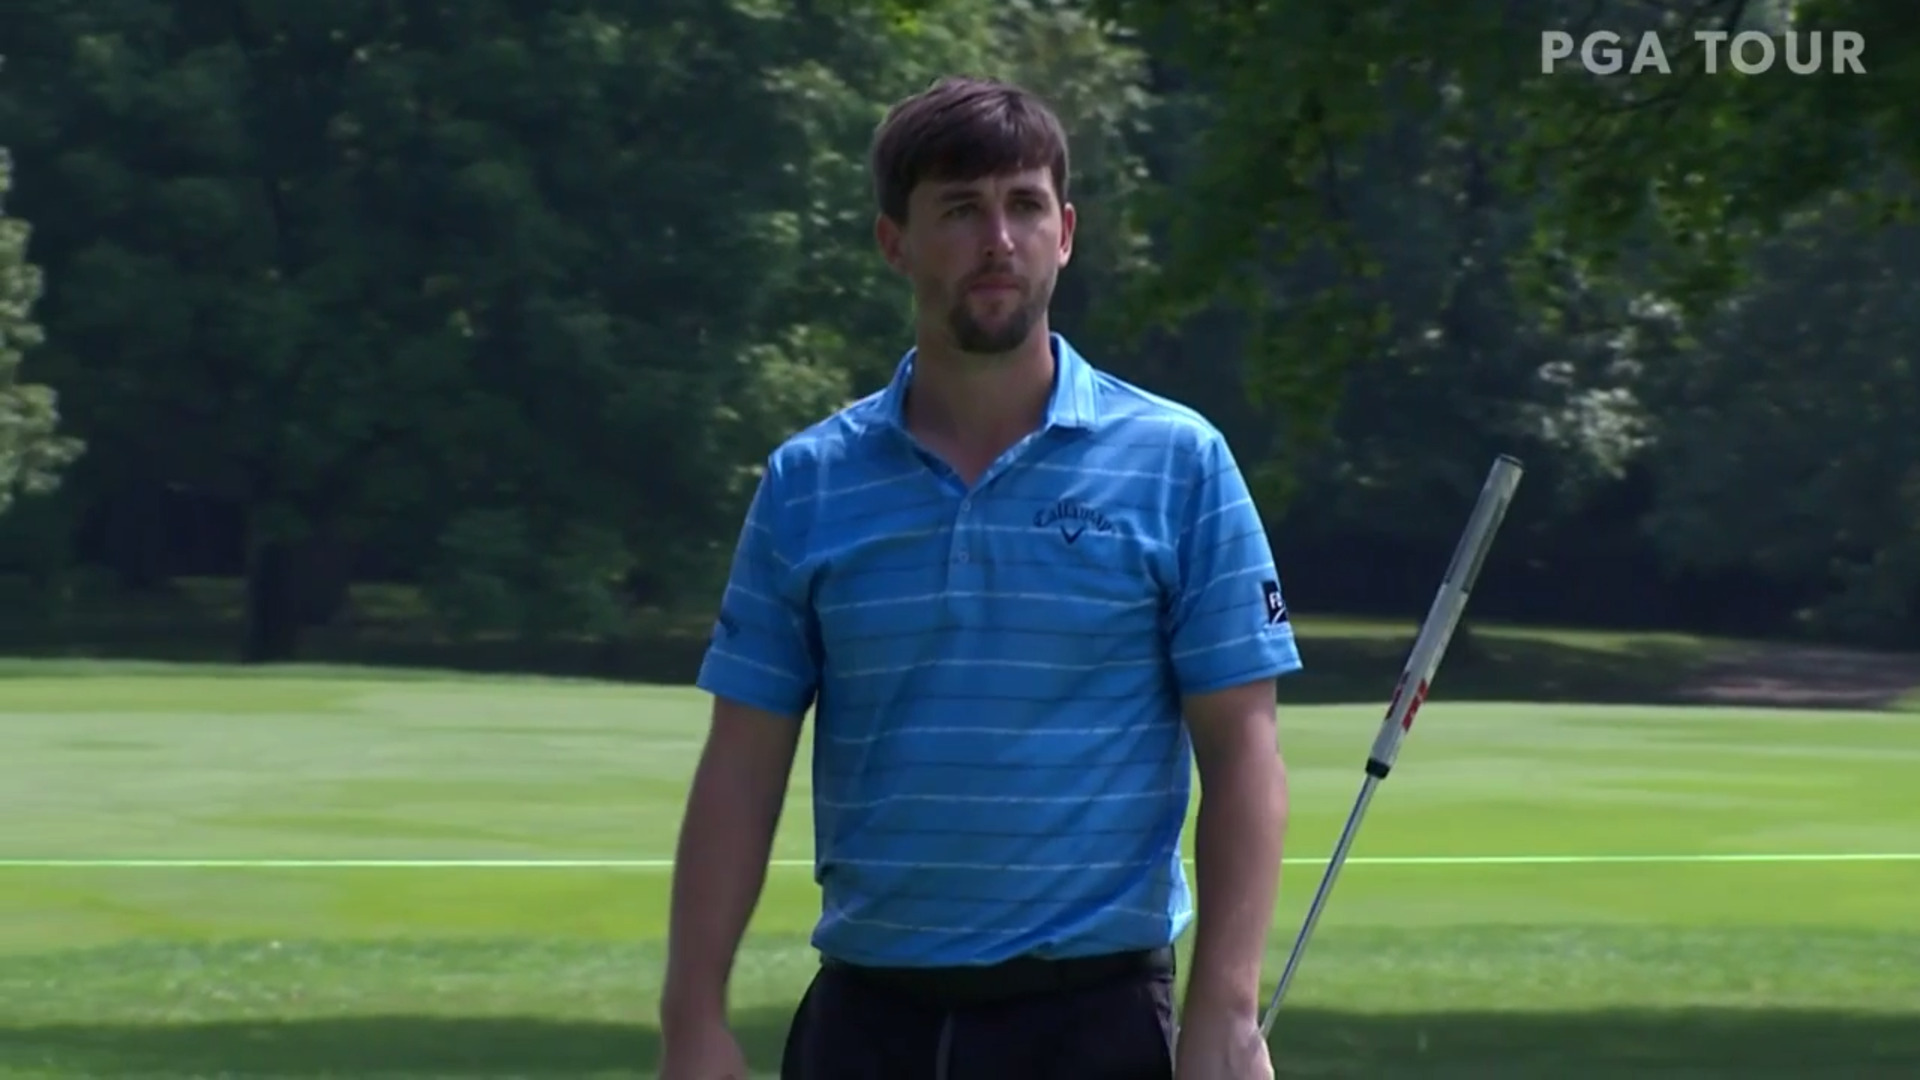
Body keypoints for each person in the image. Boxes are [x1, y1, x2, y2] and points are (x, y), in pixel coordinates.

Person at [658, 74, 1301, 1080]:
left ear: (1067, 230)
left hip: (1097, 1022)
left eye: (1024, 205)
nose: (998, 239)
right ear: (894, 242)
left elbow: (1243, 749)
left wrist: (1226, 1007)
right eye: (959, 210)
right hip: (867, 1024)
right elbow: (742, 764)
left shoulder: (1179, 463)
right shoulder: (808, 483)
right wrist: (692, 1019)